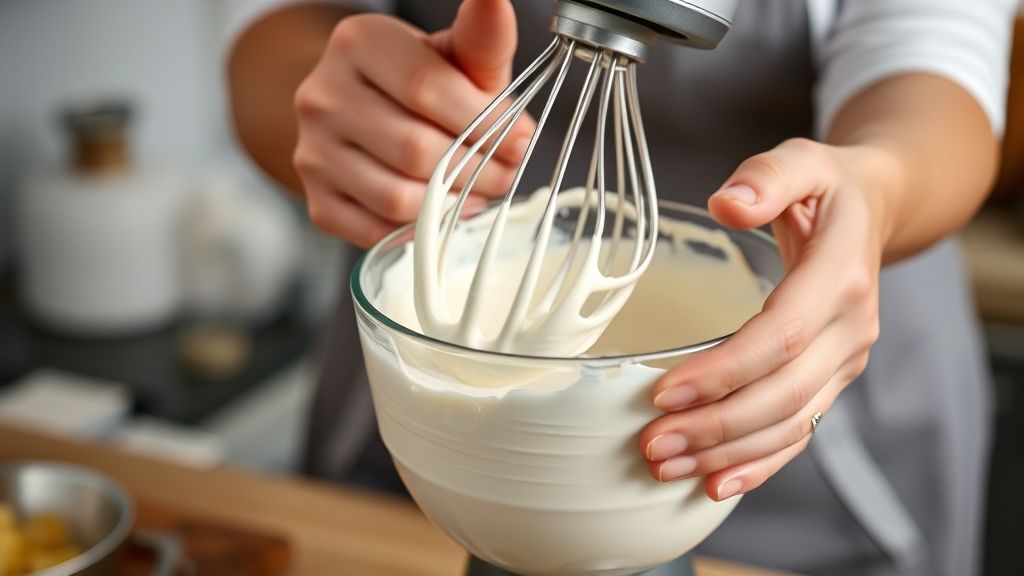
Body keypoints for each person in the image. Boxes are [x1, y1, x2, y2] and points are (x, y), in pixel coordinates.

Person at [225, 1, 1015, 574]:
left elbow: (934, 71)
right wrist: (345, 118)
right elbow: (274, 38)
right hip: (432, 404)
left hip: (796, 413)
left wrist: (878, 188)